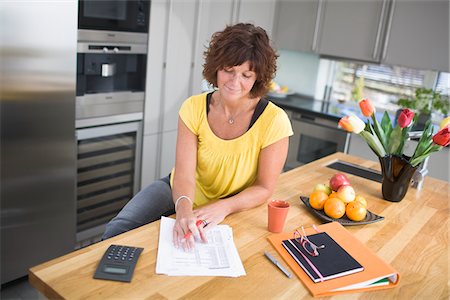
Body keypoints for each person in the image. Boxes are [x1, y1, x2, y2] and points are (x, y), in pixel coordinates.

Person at [102, 23, 293, 250]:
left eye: (246, 75)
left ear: (258, 78)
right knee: (116, 230)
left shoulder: (274, 120)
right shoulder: (193, 107)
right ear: (216, 67)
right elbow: (184, 173)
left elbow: (264, 188)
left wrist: (223, 207)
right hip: (181, 189)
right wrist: (183, 210)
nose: (234, 82)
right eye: (228, 70)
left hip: (232, 202)